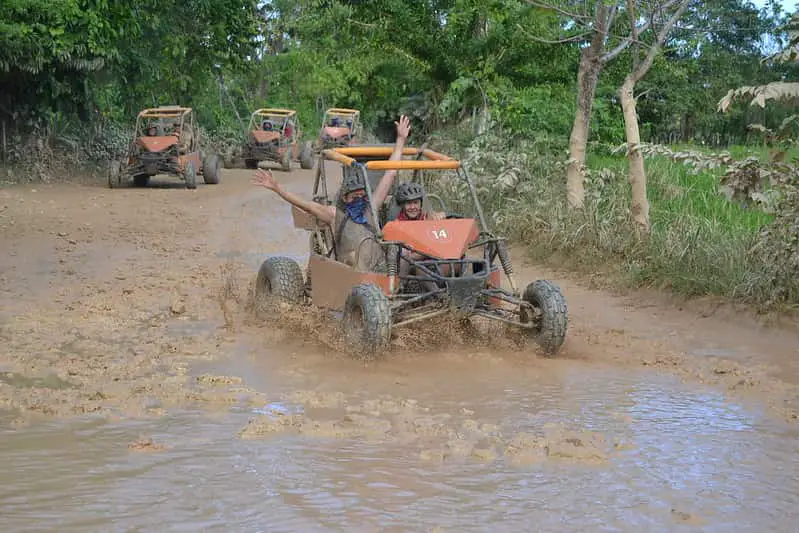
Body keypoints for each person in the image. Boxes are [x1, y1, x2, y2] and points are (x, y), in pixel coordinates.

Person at [251, 115, 412, 272]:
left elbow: (390, 173)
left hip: (379, 270)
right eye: (354, 195)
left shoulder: (371, 209)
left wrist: (401, 140)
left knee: (402, 253)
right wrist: (278, 188)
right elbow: (305, 205)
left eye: (362, 195)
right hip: (349, 274)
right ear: (345, 198)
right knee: (353, 257)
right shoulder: (335, 215)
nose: (359, 198)